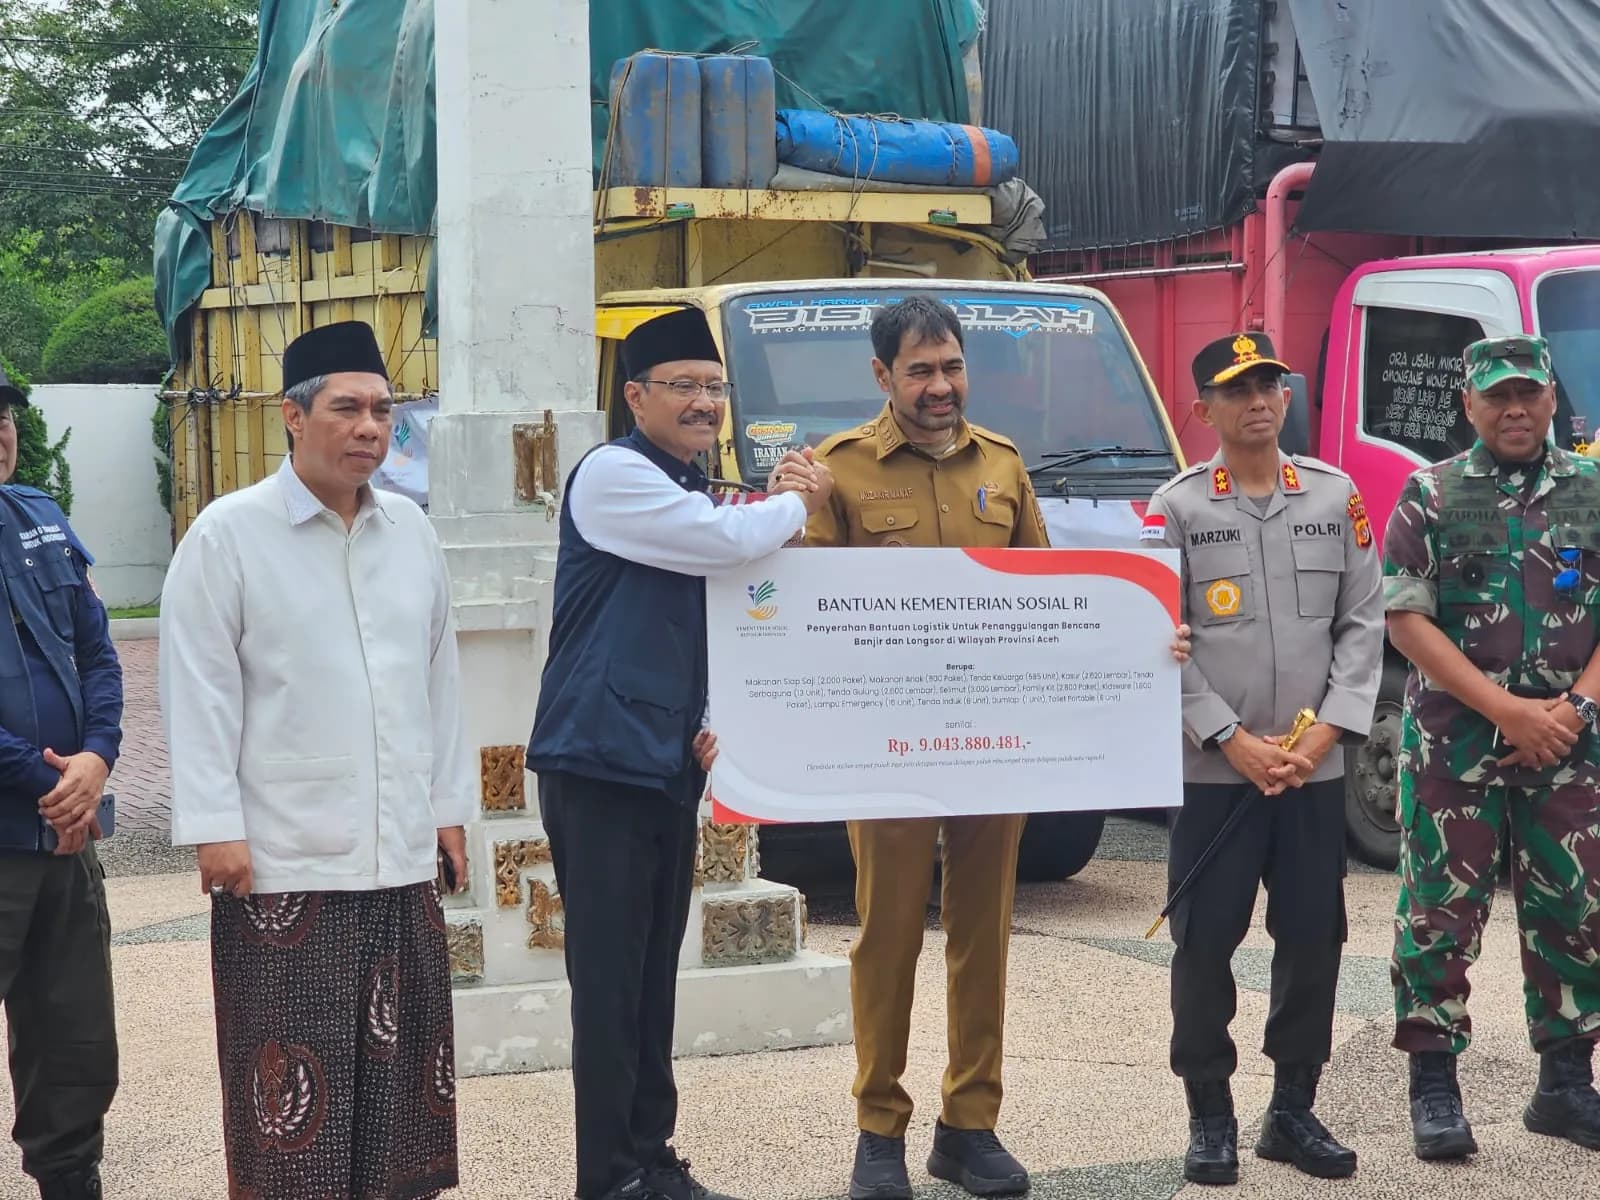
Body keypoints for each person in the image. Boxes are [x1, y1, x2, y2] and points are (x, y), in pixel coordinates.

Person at [805, 296, 1191, 1200]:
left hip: (993, 749)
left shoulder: (1004, 466)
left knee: (984, 934)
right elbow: (802, 608)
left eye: (952, 367)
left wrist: (1140, 639)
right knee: (888, 935)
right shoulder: (839, 471)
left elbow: (1052, 602)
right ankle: (878, 1131)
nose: (940, 386)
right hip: (889, 750)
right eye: (920, 371)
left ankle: (969, 1125)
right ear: (882, 376)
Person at [159, 321, 475, 1199]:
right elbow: (198, 690)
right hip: (283, 866)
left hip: (400, 856)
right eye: (347, 408)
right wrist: (215, 827)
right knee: (292, 1100)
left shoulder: (411, 533)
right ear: (293, 417)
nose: (369, 427)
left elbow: (440, 682)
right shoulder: (228, 536)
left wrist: (448, 810)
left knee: (402, 1096)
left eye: (382, 410)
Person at [525, 306, 834, 1200]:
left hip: (661, 759)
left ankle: (650, 1155)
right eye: (683, 387)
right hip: (598, 762)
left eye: (714, 387)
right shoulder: (614, 475)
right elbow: (724, 542)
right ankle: (610, 1176)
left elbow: (732, 586)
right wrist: (795, 503)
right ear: (635, 397)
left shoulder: (686, 485)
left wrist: (711, 713)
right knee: (610, 981)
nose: (704, 403)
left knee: (652, 974)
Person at [1142, 332, 1383, 1186]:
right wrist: (1228, 737)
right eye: (1237, 389)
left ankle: (1292, 1110)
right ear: (1202, 408)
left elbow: (1363, 623)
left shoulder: (1334, 495)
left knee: (1314, 937)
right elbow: (1154, 639)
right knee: (1205, 941)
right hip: (1217, 773)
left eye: (1269, 386)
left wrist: (1325, 735)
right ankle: (1210, 1113)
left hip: (1312, 772)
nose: (1257, 401)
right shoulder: (1175, 509)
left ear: (1287, 398)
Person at [1383, 333, 1600, 1161]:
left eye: (1528, 394)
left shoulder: (1591, 490)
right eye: (1498, 396)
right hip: (1456, 748)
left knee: (1576, 909)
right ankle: (1435, 1086)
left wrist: (1573, 711)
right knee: (1439, 914)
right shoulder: (1431, 493)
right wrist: (1509, 712)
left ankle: (1565, 1085)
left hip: (1572, 747)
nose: (1515, 410)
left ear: (1550, 399)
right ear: (1469, 404)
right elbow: (1406, 620)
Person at [0, 359, 124, 1200]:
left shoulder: (40, 518)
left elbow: (97, 652)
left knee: (74, 1044)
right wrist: (47, 783)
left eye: (4, 418)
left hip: (63, 841)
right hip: (20, 825)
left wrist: (98, 756)